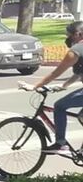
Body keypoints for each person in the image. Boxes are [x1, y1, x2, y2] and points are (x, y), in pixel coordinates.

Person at [33, 20, 83, 156]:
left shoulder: (76, 50)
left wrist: (34, 86)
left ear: (78, 34)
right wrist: (64, 86)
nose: (67, 39)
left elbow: (55, 73)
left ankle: (61, 144)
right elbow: (79, 73)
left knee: (59, 106)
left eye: (69, 35)